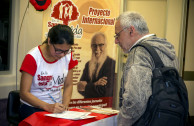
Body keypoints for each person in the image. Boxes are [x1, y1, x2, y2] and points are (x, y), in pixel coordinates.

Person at [114, 11, 178, 126]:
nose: (116, 41)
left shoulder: (139, 52)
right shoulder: (166, 48)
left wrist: (122, 123)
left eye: (117, 35)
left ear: (131, 30)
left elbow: (135, 101)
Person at [19, 24, 78, 121]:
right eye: (58, 50)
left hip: (56, 108)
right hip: (32, 107)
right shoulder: (33, 58)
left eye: (66, 51)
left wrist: (65, 106)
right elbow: (24, 93)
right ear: (49, 41)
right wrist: (47, 106)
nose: (62, 55)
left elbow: (68, 85)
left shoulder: (68, 56)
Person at [77, 32, 115, 98]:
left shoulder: (111, 63)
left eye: (101, 45)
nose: (97, 49)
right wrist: (95, 84)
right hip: (87, 105)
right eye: (94, 45)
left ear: (105, 46)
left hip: (103, 106)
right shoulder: (88, 64)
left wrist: (86, 86)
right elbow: (79, 88)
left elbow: (104, 91)